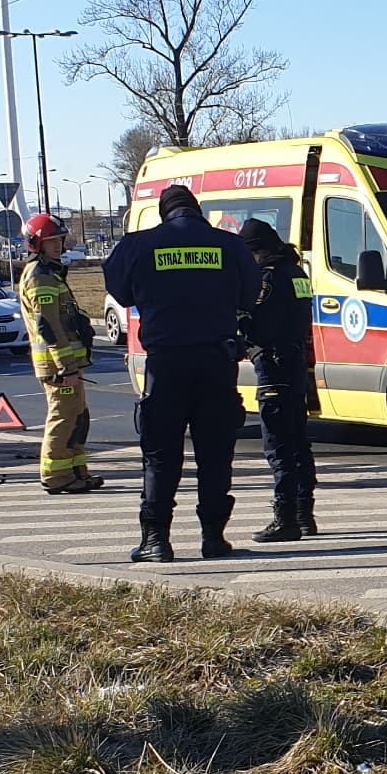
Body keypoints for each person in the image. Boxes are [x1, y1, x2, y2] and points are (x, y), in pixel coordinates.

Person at [104, 183, 258, 562]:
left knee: (160, 454)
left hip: (165, 364)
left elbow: (119, 292)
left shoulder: (139, 245)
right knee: (215, 453)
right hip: (216, 364)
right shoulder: (229, 245)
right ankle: (214, 538)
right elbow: (250, 294)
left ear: (163, 212)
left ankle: (156, 540)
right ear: (197, 210)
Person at [238, 217, 317, 541]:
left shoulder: (268, 279)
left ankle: (285, 519)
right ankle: (304, 513)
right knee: (298, 441)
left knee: (278, 444)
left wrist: (241, 328)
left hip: (273, 364)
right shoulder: (297, 273)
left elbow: (260, 325)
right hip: (295, 361)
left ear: (258, 251)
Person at [17, 212, 103, 495]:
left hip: (67, 365)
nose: (57, 245)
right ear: (35, 243)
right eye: (50, 241)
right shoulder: (39, 276)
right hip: (58, 367)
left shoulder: (50, 272)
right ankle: (55, 476)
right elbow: (48, 324)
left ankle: (76, 471)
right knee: (63, 419)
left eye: (58, 240)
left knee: (78, 418)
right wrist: (66, 366)